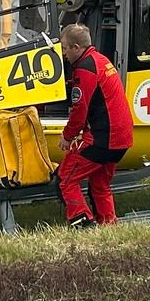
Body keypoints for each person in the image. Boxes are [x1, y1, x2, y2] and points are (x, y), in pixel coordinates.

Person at [57, 23, 133, 228]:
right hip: (122, 138)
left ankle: (83, 223)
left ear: (76, 48)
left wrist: (68, 136)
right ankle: (108, 224)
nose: (63, 53)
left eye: (64, 48)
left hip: (103, 138)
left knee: (66, 178)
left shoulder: (85, 69)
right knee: (100, 184)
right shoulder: (102, 60)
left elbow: (80, 108)